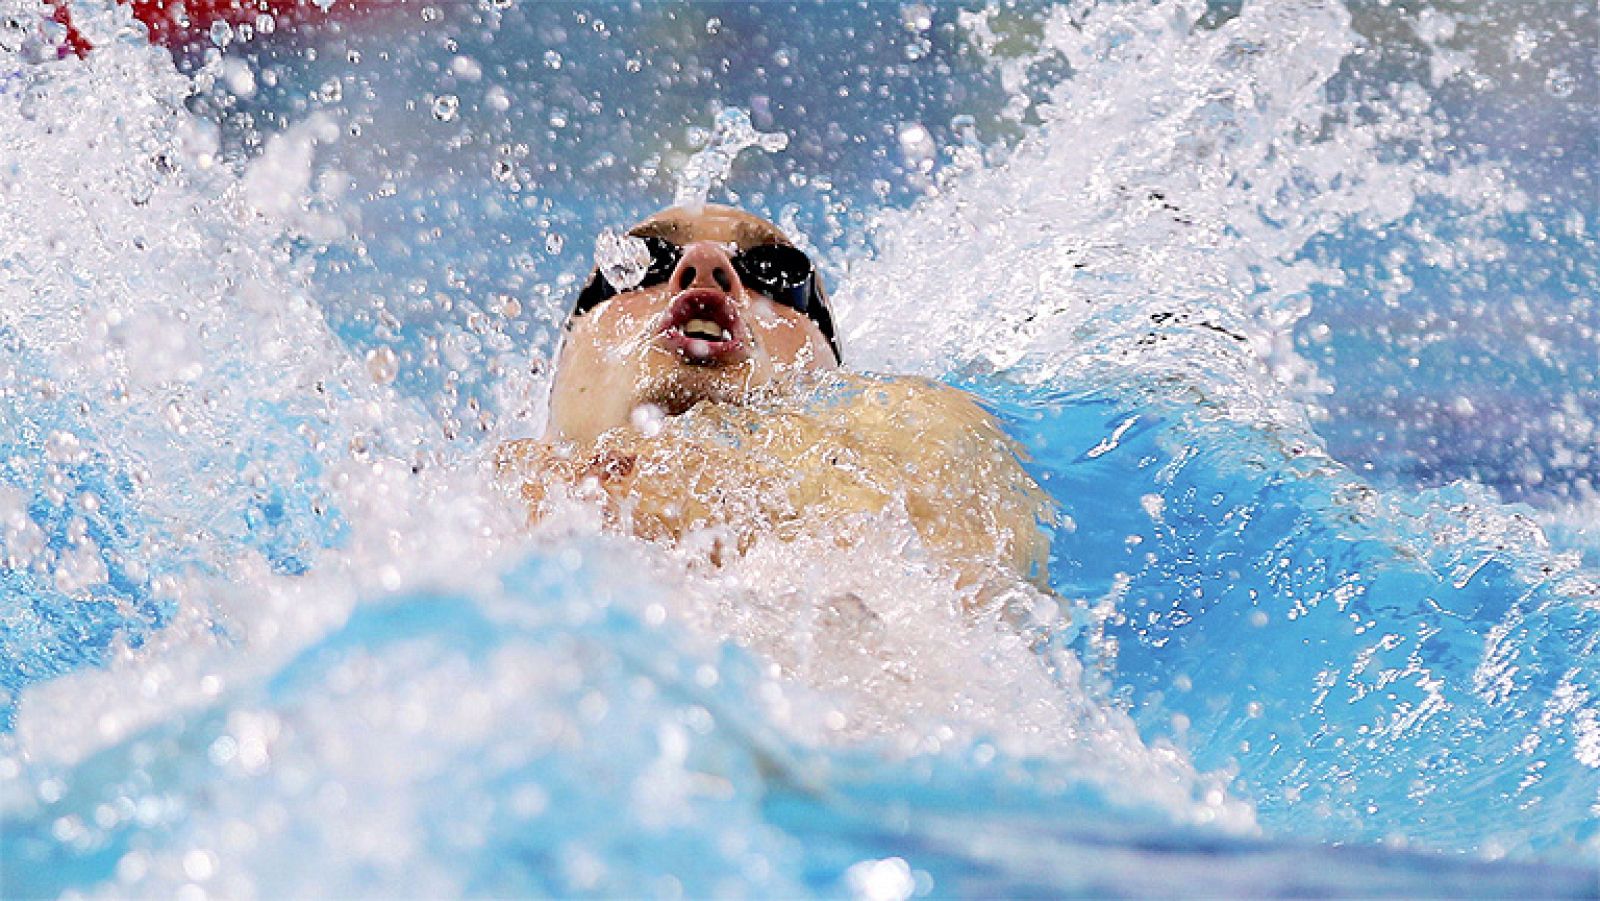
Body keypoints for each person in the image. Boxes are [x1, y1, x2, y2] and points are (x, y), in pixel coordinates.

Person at [497, 204, 1054, 608]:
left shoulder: (920, 429)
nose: (704, 263)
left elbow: (970, 630)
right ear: (558, 375)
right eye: (646, 264)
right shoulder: (462, 517)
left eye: (775, 273)